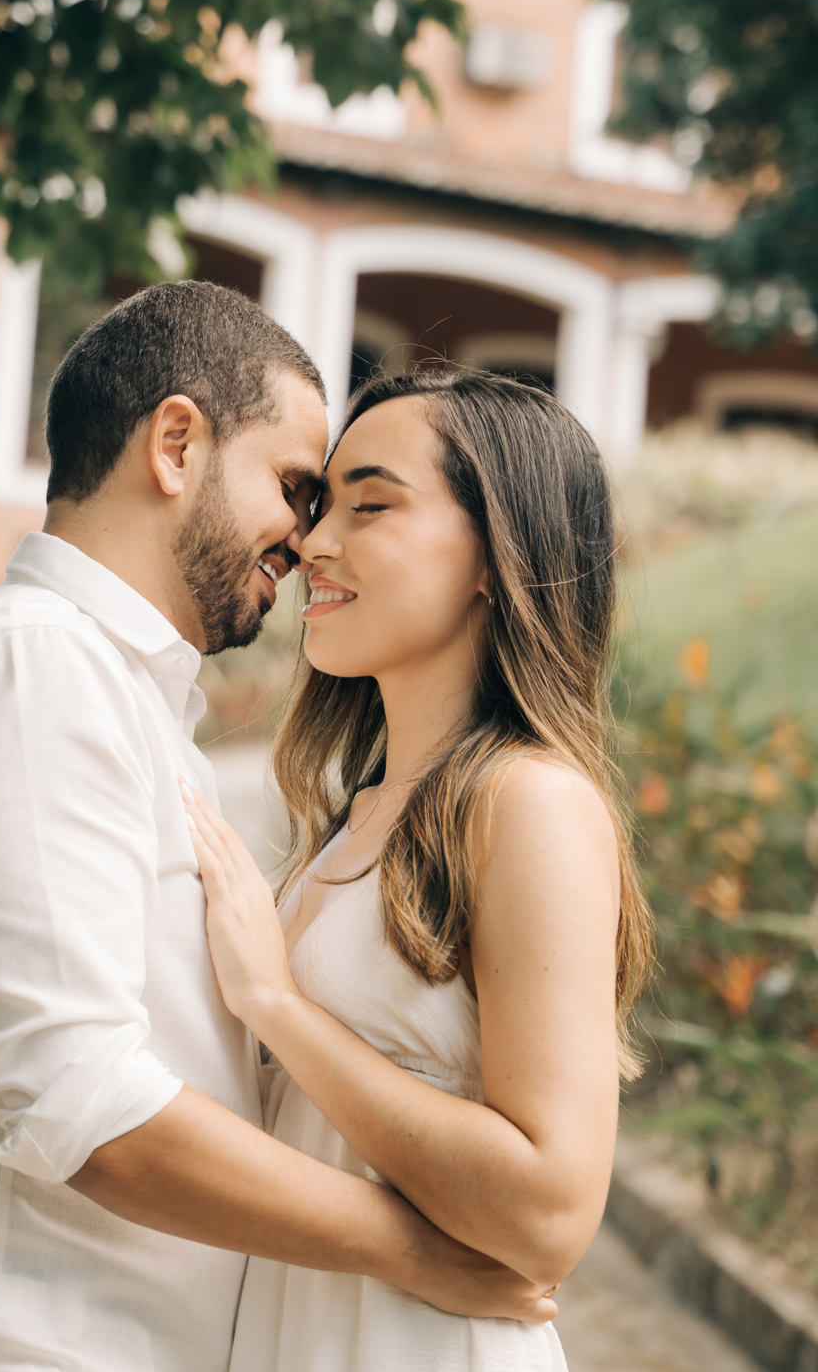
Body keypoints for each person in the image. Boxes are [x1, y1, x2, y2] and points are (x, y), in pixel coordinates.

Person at [0, 286, 555, 1372]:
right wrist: (416, 1250)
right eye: (296, 487)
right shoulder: (35, 670)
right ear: (175, 443)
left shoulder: (126, 700)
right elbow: (85, 1102)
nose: (306, 539)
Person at [183, 365, 655, 1371]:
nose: (311, 544)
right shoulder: (358, 814)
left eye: (372, 504)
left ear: (495, 553)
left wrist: (274, 1001)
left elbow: (549, 1212)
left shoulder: (528, 802)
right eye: (318, 508)